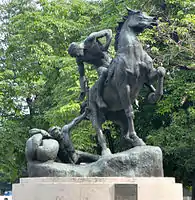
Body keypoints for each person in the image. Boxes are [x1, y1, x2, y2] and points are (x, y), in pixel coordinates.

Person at [68, 29, 112, 108]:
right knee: (103, 72)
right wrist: (82, 90)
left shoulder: (89, 39)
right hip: (100, 67)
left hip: (110, 60)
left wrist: (106, 46)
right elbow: (82, 75)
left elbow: (108, 32)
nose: (78, 56)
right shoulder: (79, 59)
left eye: (76, 54)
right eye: (75, 56)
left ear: (78, 48)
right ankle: (99, 98)